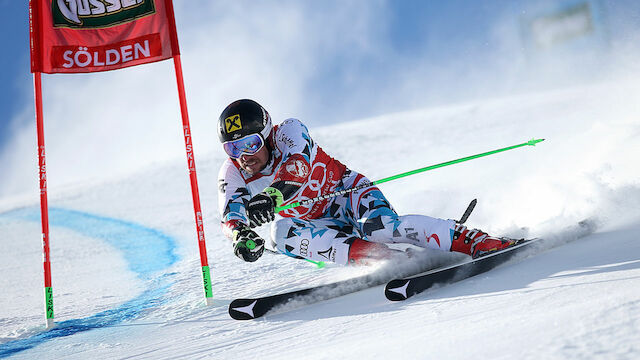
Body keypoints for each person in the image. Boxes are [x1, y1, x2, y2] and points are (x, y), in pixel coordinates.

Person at [217, 99, 516, 265]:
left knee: (381, 228)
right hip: (320, 224)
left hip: (349, 195)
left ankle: (475, 241)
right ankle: (387, 260)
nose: (243, 156)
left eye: (250, 144)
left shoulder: (289, 131)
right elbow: (230, 217)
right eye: (233, 149)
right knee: (279, 233)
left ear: (267, 134)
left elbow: (297, 169)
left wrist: (271, 197)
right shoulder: (232, 173)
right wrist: (241, 237)